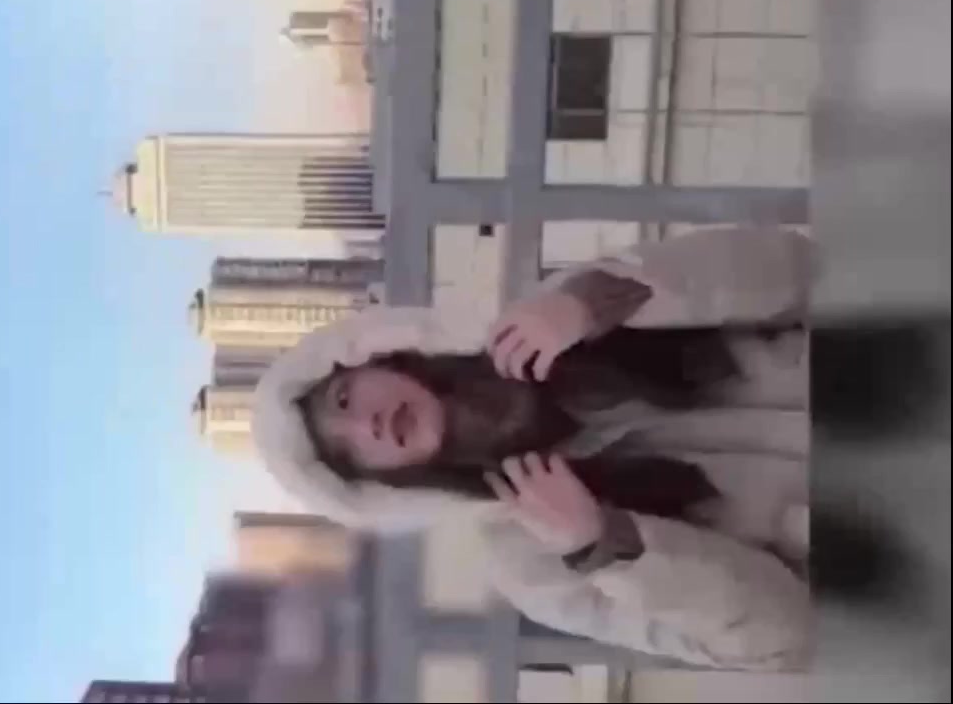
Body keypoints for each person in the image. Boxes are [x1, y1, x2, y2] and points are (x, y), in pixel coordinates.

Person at [250, 227, 815, 671]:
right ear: (377, 484)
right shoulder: (531, 566)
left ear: (378, 358)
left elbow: (801, 268)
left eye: (345, 397)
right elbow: (788, 639)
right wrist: (604, 544)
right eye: (348, 451)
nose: (365, 424)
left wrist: (603, 300)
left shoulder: (557, 310)